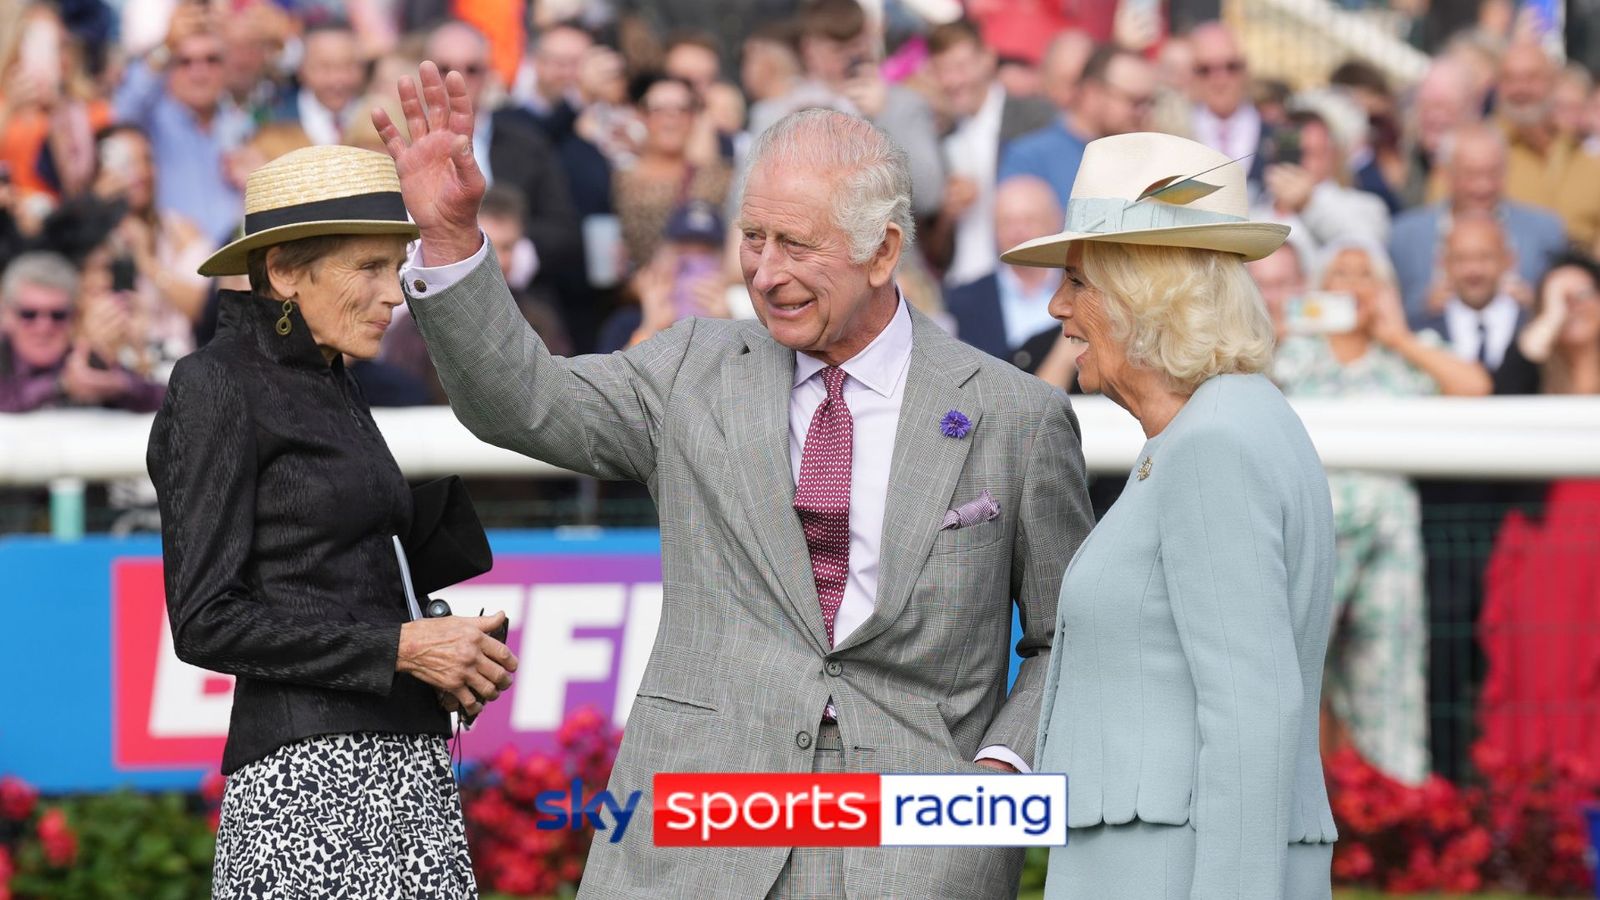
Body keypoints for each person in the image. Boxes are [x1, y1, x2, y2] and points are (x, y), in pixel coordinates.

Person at [377, 64, 1092, 896]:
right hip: (694, 846)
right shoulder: (691, 368)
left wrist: (1001, 776)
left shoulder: (1015, 414)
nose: (765, 270)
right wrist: (454, 240)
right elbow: (522, 402)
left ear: (884, 250)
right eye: (753, 237)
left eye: (798, 244)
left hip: (918, 853)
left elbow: (1065, 641)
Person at [145, 144, 518, 894]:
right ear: (284, 272)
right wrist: (403, 648)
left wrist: (442, 650)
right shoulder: (213, 384)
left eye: (397, 265)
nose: (394, 294)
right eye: (368, 268)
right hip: (305, 785)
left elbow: (337, 577)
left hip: (407, 764)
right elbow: (205, 621)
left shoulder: (332, 374)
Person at [1005, 131, 1336, 898]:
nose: (1058, 306)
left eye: (1078, 281)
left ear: (1143, 293)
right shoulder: (1227, 424)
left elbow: (1254, 715)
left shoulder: (1215, 442)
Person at [1273, 238, 1489, 786]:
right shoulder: (1292, 351)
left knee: (1389, 669)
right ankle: (1296, 804)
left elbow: (1474, 387)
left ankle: (1393, 810)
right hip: (1308, 528)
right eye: (1339, 274)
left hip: (1389, 531)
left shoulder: (1407, 350)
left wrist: (1394, 334)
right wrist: (1283, 328)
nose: (1351, 285)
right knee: (1295, 667)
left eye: (1364, 274)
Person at [1389, 124, 1566, 326]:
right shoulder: (1404, 236)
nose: (1483, 185)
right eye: (1471, 174)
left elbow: (1566, 307)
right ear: (1446, 173)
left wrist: (1536, 305)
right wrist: (1423, 307)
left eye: (1494, 173)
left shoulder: (1544, 231)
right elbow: (1386, 311)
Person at [928, 19, 1053, 288]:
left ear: (987, 59)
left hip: (1025, 288)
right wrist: (948, 213)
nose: (952, 80)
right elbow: (934, 247)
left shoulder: (1035, 119)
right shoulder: (940, 135)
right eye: (941, 70)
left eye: (960, 66)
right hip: (960, 287)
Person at [112, 4, 252, 245]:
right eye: (185, 62)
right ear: (169, 68)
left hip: (236, 268)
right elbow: (122, 112)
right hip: (173, 268)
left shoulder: (241, 124)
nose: (200, 73)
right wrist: (166, 46)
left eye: (212, 60)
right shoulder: (151, 120)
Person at [0, 251, 164, 413]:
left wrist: (120, 386)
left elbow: (165, 398)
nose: (44, 326)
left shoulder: (83, 356)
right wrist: (61, 384)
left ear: (73, 316)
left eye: (58, 315)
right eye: (29, 314)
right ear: (7, 315)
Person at [1000, 44, 1158, 210]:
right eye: (1135, 101)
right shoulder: (1030, 158)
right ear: (1093, 92)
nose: (1144, 112)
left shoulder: (1143, 160)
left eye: (1150, 102)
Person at [613, 74, 730, 274]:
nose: (671, 118)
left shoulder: (718, 176)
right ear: (642, 116)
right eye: (659, 110)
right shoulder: (619, 178)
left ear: (694, 117)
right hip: (636, 295)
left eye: (681, 110)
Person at [946, 175, 1063, 371]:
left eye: (1029, 220)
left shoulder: (1084, 291)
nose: (1018, 232)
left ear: (1056, 221)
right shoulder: (961, 300)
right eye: (1007, 222)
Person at [1495, 39, 1600, 247]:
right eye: (1510, 79)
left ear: (1554, 84)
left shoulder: (1584, 153)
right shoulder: (1477, 152)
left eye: (1531, 78)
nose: (1520, 88)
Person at [1252, 107, 1391, 258]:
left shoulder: (1366, 206)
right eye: (1291, 151)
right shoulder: (1252, 208)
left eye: (1310, 153)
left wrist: (1308, 204)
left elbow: (1365, 250)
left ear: (1331, 155)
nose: (1299, 162)